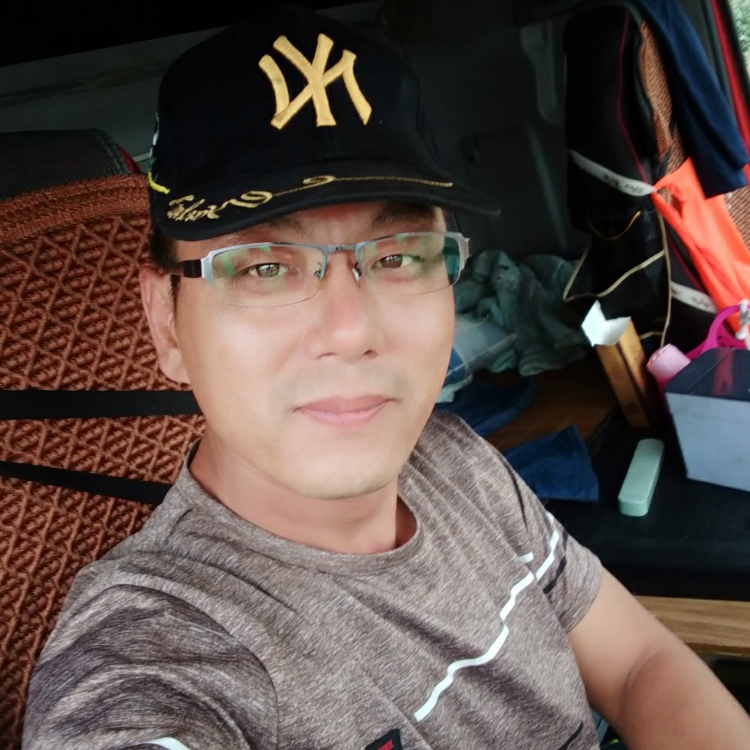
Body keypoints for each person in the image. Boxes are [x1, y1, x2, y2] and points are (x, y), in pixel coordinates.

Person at [22, 5, 750, 750]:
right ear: (167, 323)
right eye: (264, 267)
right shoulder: (157, 660)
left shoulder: (456, 461)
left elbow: (639, 663)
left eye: (398, 255)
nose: (351, 330)